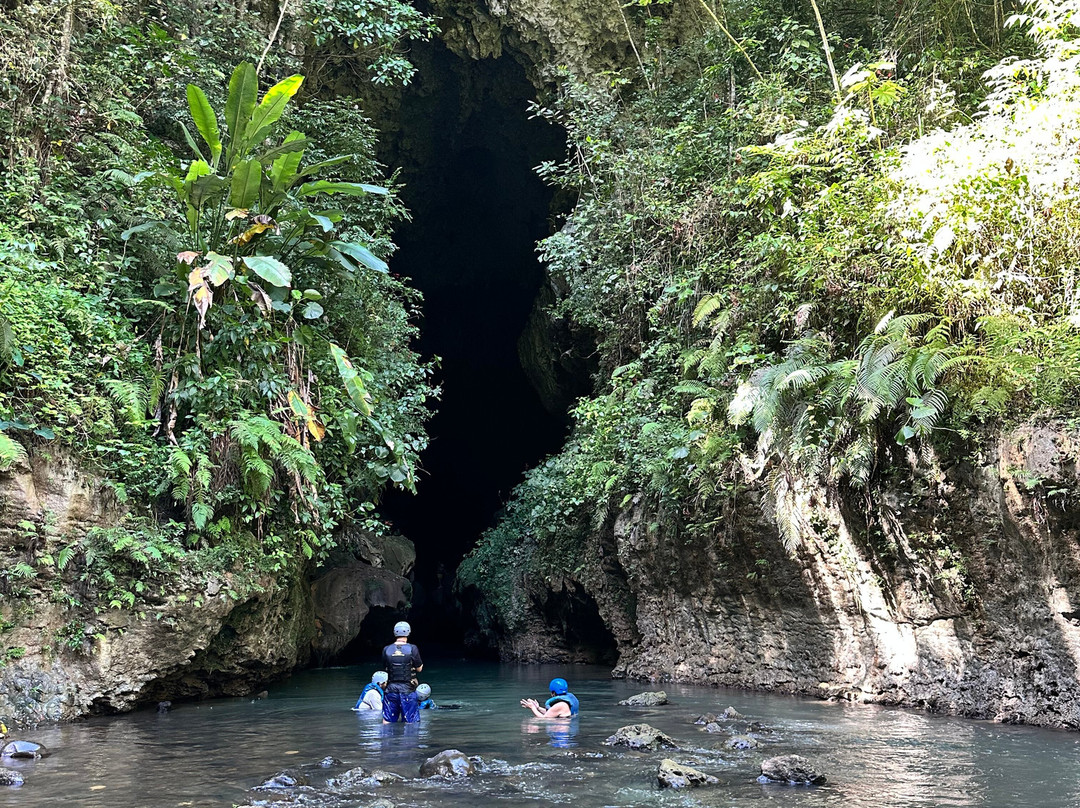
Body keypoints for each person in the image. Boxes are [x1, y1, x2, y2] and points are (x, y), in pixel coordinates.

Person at [382, 620, 423, 724]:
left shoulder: (386, 649)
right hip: (407, 689)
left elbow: (385, 668)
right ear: (408, 632)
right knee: (411, 721)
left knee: (387, 720)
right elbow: (419, 668)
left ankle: (386, 739)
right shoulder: (412, 648)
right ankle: (408, 739)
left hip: (390, 689)